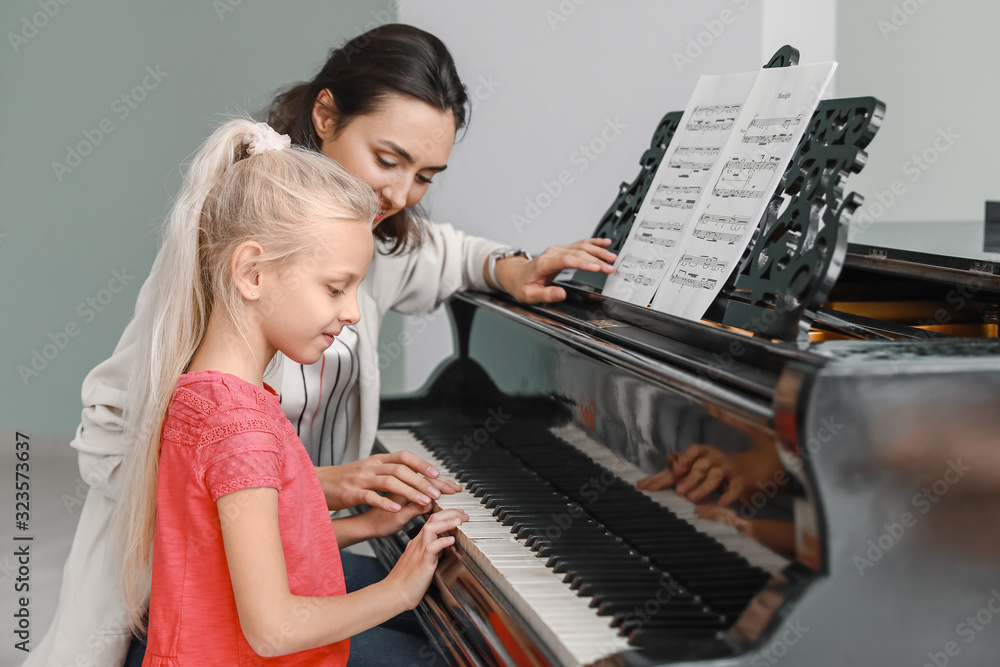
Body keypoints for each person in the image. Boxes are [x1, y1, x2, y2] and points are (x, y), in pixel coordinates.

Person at [26, 24, 616, 667]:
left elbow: (448, 253)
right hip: (191, 595)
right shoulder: (226, 269)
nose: (398, 194)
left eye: (425, 176)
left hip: (287, 551)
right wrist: (307, 486)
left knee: (456, 626)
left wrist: (511, 269)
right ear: (326, 115)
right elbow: (124, 437)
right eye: (388, 160)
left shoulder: (369, 239)